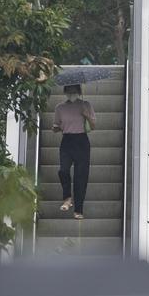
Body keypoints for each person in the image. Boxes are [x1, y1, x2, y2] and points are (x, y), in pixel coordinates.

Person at [52, 84, 96, 218]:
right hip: (67, 140)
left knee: (80, 176)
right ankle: (67, 198)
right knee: (63, 170)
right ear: (65, 92)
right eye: (69, 91)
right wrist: (57, 128)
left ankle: (79, 210)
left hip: (82, 141)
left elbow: (93, 126)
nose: (72, 93)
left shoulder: (86, 105)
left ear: (79, 91)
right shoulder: (60, 108)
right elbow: (56, 126)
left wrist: (86, 115)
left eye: (74, 91)